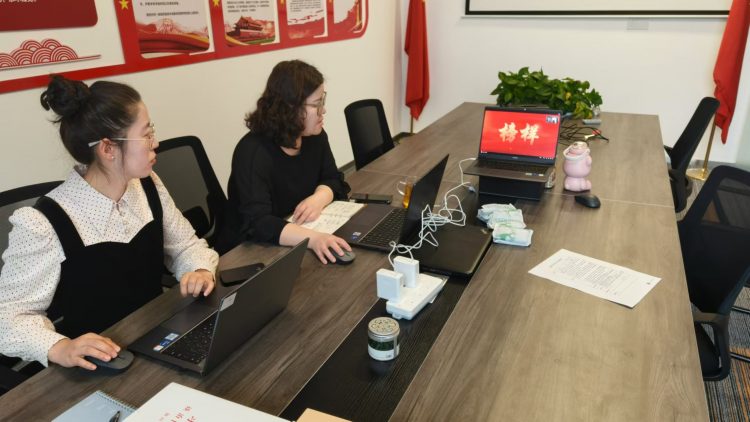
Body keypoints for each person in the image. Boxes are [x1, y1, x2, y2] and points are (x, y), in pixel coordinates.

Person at [0, 75, 219, 371]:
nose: (155, 143)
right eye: (146, 134)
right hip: (99, 365)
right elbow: (8, 318)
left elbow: (185, 246)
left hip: (156, 338)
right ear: (108, 149)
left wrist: (198, 269)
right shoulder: (42, 223)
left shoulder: (147, 185)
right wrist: (60, 347)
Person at [217, 60, 352, 263]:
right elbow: (258, 222)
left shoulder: (314, 136)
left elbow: (333, 178)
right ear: (290, 108)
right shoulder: (252, 152)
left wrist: (319, 198)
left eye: (322, 101)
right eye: (316, 104)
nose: (323, 111)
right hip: (248, 253)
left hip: (294, 237)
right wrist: (314, 239)